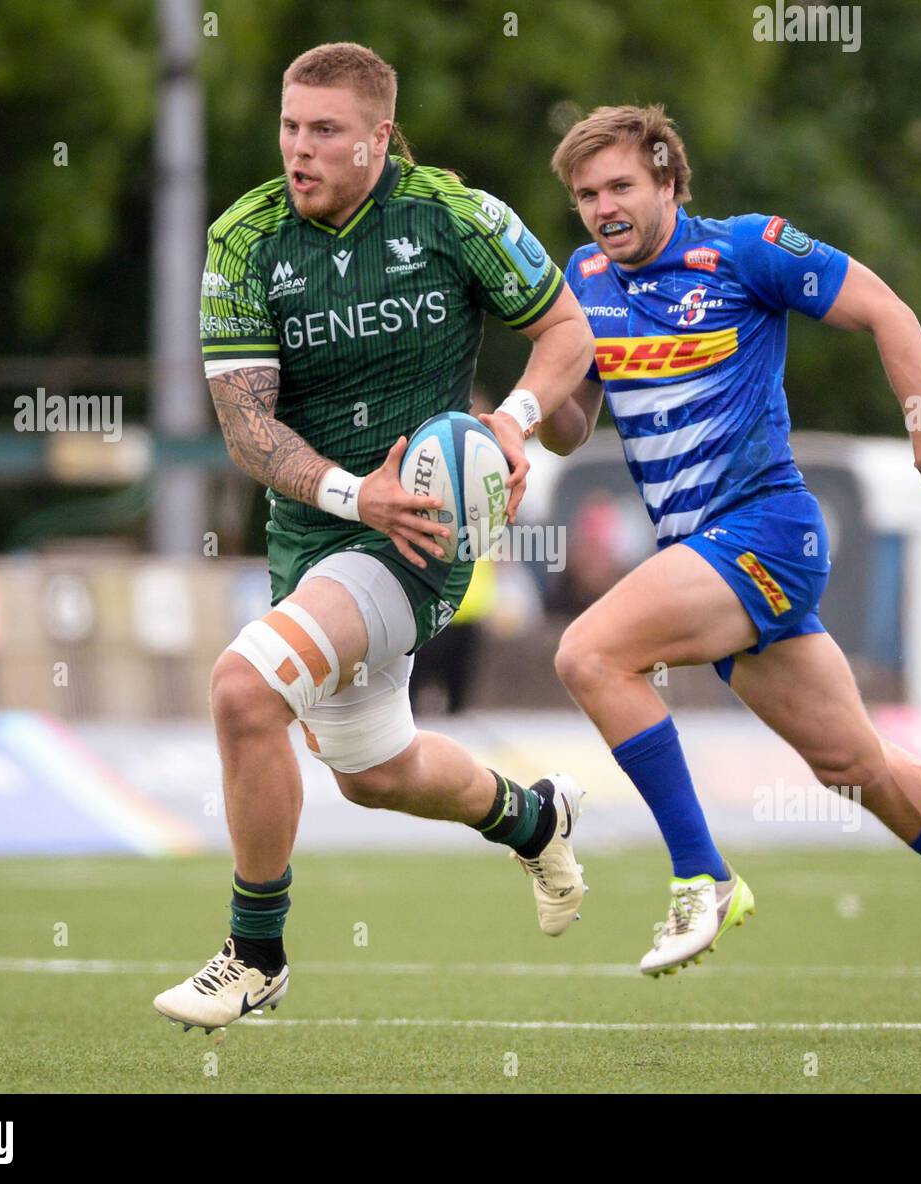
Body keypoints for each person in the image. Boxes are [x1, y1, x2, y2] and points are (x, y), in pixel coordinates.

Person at [539, 104, 921, 1028]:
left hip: (766, 532)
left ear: (669, 180)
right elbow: (572, 430)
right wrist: (534, 405)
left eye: (621, 186)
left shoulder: (749, 250)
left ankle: (703, 876)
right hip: (700, 558)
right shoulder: (584, 280)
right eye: (587, 195)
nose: (602, 209)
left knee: (590, 655)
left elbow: (886, 309)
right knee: (854, 764)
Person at [154, 43, 595, 1033]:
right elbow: (247, 431)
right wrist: (360, 493)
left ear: (378, 138)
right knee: (372, 771)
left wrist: (512, 422)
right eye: (288, 126)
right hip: (323, 529)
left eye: (323, 131)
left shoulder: (453, 215)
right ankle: (536, 817)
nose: (297, 150)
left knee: (242, 688)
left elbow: (565, 329)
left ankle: (254, 957)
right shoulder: (242, 240)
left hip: (420, 540)